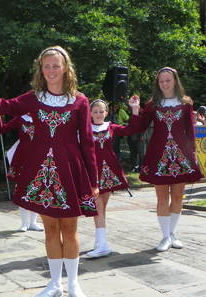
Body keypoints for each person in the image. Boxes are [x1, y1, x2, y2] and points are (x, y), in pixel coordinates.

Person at [0, 46, 99, 297]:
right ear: (40, 70)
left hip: (69, 168)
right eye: (46, 66)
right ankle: (54, 284)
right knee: (51, 229)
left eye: (55, 65)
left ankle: (73, 285)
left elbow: (87, 142)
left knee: (70, 229)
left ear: (65, 68)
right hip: (41, 170)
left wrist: (93, 180)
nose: (51, 70)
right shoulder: (32, 98)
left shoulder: (80, 100)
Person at [129, 67, 203, 252]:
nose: (164, 84)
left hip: (181, 154)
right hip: (158, 152)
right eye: (161, 81)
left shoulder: (186, 103)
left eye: (168, 80)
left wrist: (192, 151)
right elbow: (141, 127)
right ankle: (164, 237)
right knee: (162, 198)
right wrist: (135, 109)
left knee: (177, 196)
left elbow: (189, 129)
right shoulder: (152, 104)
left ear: (175, 81)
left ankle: (172, 233)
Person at [87, 99, 141, 258]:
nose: (98, 114)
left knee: (101, 209)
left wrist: (135, 109)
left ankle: (101, 242)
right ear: (90, 113)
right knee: (97, 207)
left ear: (106, 113)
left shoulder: (111, 127)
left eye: (101, 112)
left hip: (109, 170)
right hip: (92, 170)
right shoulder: (84, 129)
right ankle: (101, 243)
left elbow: (132, 130)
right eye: (95, 112)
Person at [0, 114, 44, 232]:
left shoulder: (42, 117)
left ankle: (33, 222)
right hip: (23, 155)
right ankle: (24, 222)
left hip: (38, 154)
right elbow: (2, 129)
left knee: (37, 187)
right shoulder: (19, 118)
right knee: (22, 187)